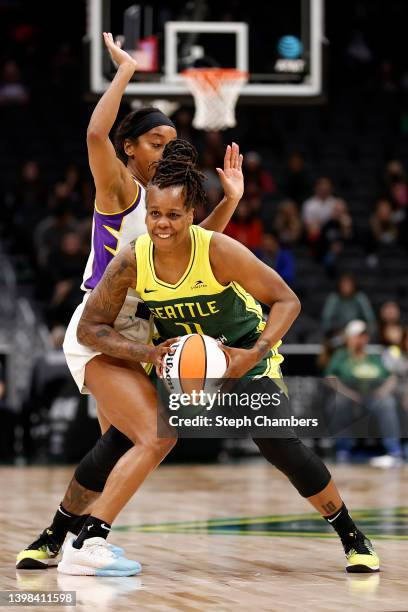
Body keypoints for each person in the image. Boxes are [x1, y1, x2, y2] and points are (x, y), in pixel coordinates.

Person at [57, 141, 379, 576]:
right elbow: (89, 328)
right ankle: (59, 534)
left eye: (173, 215)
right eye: (154, 214)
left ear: (192, 215)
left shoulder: (219, 250)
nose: (162, 224)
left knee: (278, 442)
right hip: (180, 364)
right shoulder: (135, 258)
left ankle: (352, 537)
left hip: (242, 355)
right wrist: (148, 352)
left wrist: (254, 354)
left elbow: (287, 300)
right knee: (121, 437)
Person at [16, 33, 244, 571]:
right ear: (130, 148)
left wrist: (229, 201)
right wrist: (125, 71)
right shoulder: (121, 190)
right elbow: (96, 132)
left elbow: (199, 248)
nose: (167, 151)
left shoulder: (167, 206)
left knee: (114, 449)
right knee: (156, 433)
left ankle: (52, 538)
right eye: (156, 142)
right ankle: (88, 542)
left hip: (144, 332)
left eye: (171, 142)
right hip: (102, 328)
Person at [325, 319, 402, 468]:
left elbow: (391, 377)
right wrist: (349, 394)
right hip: (348, 396)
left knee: (387, 402)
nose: (362, 339)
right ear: (349, 337)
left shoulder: (373, 357)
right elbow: (329, 378)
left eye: (364, 336)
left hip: (372, 396)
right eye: (358, 336)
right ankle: (343, 449)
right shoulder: (341, 356)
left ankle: (394, 450)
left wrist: (382, 391)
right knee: (338, 402)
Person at [321, 273, 376, 337]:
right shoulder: (334, 298)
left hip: (358, 332)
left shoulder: (360, 298)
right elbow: (326, 319)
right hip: (338, 332)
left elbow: (370, 319)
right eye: (344, 284)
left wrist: (364, 332)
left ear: (354, 285)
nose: (346, 287)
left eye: (349, 284)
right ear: (339, 285)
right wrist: (335, 331)